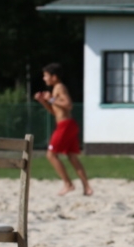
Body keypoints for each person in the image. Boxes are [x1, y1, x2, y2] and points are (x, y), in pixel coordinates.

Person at [35, 63, 93, 197]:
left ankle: (68, 184)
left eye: (46, 76)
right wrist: (44, 101)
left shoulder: (59, 87)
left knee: (51, 155)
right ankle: (87, 187)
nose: (44, 78)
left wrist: (51, 99)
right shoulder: (56, 89)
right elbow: (55, 112)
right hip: (68, 124)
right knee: (72, 156)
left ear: (54, 77)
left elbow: (68, 105)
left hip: (65, 125)